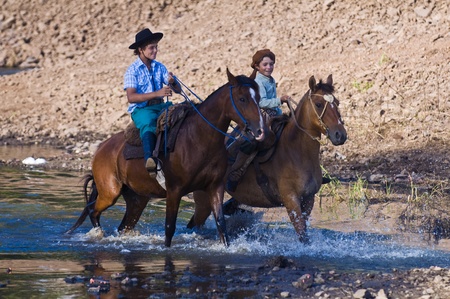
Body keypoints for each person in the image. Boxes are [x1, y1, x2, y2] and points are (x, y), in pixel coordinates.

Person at [226, 49, 291, 191]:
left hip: (274, 116)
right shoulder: (258, 81)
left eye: (271, 64)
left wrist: (281, 114)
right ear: (257, 66)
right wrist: (279, 100)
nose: (269, 67)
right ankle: (235, 173)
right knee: (254, 142)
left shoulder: (270, 79)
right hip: (262, 117)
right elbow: (261, 102)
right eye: (265, 64)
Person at [124, 28, 181, 178]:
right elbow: (131, 97)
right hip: (142, 110)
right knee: (149, 123)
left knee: (182, 114)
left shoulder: (160, 67)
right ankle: (150, 159)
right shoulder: (132, 71)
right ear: (140, 49)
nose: (155, 50)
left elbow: (178, 90)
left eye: (156, 47)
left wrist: (173, 82)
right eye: (151, 47)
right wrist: (157, 93)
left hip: (161, 106)